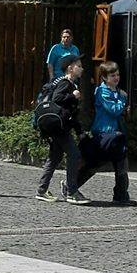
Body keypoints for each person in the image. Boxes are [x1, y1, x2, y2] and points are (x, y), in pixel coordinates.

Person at [77, 61, 135, 206]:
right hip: (104, 133)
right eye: (112, 75)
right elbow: (114, 110)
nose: (116, 78)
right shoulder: (102, 92)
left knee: (122, 164)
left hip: (117, 134)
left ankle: (121, 195)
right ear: (104, 77)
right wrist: (122, 100)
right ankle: (71, 185)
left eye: (117, 75)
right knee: (95, 163)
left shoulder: (117, 92)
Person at [35, 55, 87, 203]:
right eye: (79, 66)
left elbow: (71, 112)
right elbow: (57, 99)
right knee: (74, 155)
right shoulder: (65, 83)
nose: (82, 69)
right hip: (59, 127)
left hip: (58, 126)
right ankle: (72, 191)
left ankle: (42, 190)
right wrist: (72, 96)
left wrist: (79, 130)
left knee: (54, 158)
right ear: (70, 68)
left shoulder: (68, 83)